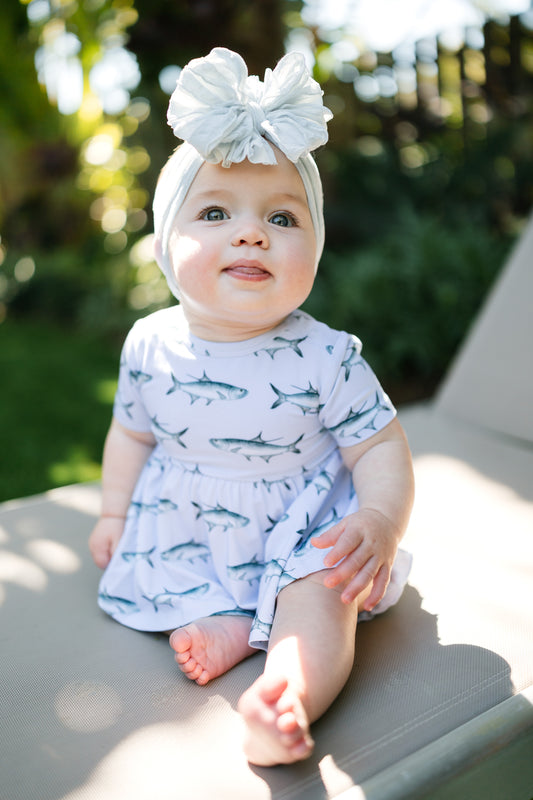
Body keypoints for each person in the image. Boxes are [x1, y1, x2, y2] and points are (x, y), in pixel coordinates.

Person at [89, 47, 415, 767]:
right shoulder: (149, 342)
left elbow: (379, 445)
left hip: (302, 519)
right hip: (187, 523)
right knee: (180, 575)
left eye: (281, 217)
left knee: (322, 592)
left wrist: (376, 520)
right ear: (165, 245)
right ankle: (229, 620)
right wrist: (115, 512)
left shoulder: (326, 355)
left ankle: (286, 696)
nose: (250, 232)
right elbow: (130, 432)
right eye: (213, 212)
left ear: (315, 244)